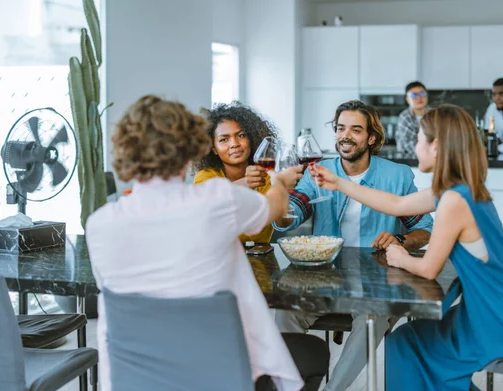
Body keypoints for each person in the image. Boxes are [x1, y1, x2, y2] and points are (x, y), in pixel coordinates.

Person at [86, 95, 329, 391]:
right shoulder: (218, 200)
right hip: (219, 373)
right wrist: (278, 182)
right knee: (309, 351)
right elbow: (277, 209)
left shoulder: (99, 224)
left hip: (137, 379)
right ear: (193, 147)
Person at [312, 104, 503, 390]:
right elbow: (397, 204)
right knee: (403, 342)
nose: (414, 147)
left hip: (495, 319)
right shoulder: (459, 189)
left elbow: (428, 269)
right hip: (500, 310)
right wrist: (340, 184)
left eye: (418, 139)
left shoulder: (454, 200)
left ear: (437, 146)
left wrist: (400, 256)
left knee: (413, 352)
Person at [274, 100, 433, 391]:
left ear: (371, 138)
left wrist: (400, 239)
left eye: (356, 130)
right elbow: (290, 216)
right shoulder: (317, 171)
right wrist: (280, 197)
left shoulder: (395, 177)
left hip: (377, 280)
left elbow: (425, 230)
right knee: (285, 311)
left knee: (373, 316)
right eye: (340, 128)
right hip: (326, 279)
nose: (345, 136)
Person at [193, 101, 296, 244]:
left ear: (251, 139)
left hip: (262, 257)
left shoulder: (267, 175)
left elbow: (284, 223)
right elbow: (206, 205)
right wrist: (245, 183)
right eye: (224, 139)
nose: (234, 143)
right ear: (214, 148)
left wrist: (282, 190)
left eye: (241, 135)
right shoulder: (207, 177)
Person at [395, 81, 430, 154]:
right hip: (409, 161)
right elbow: (410, 145)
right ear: (407, 99)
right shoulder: (405, 117)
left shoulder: (434, 114)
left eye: (422, 93)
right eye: (414, 95)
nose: (419, 98)